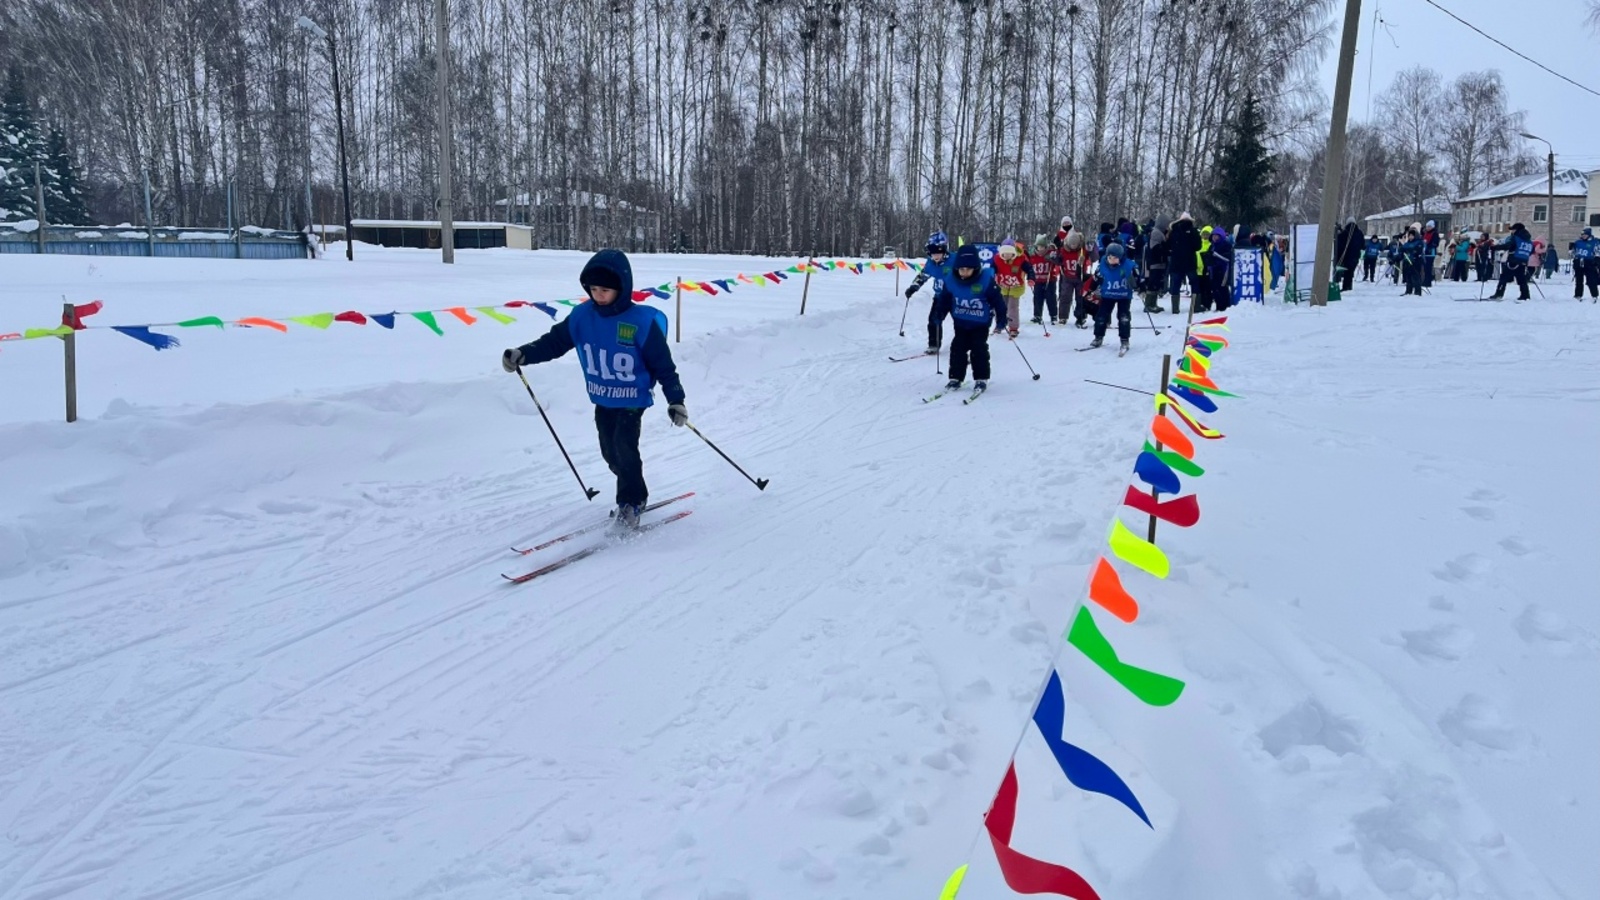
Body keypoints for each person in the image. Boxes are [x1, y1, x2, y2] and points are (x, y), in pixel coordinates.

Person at [502, 249, 687, 527]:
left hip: (631, 400)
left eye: (605, 290)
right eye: (594, 289)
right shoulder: (582, 317)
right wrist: (523, 354)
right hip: (602, 399)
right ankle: (633, 487)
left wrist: (676, 400)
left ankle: (631, 503)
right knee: (610, 454)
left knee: (625, 449)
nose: (599, 294)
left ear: (622, 289)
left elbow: (664, 366)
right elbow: (555, 342)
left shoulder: (640, 323)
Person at [931, 243, 1007, 391]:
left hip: (980, 323)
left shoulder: (986, 280)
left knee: (978, 350)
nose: (964, 272)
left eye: (968, 269)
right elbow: (944, 300)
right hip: (960, 322)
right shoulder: (951, 280)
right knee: (957, 349)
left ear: (976, 268)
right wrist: (939, 314)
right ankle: (955, 378)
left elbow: (998, 301)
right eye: (961, 269)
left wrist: (1001, 319)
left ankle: (981, 378)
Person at [904, 231, 954, 354]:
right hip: (939, 297)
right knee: (934, 320)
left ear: (944, 251)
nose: (935, 256)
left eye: (938, 253)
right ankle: (934, 345)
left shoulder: (955, 260)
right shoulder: (931, 263)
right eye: (933, 254)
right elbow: (923, 276)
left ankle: (966, 348)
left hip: (956, 297)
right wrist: (913, 287)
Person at [1088, 242, 1136, 353]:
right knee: (1101, 316)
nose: (1112, 260)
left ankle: (1124, 339)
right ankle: (1098, 337)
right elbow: (1096, 279)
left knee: (1124, 317)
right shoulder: (1102, 266)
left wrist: (1138, 284)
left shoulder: (1127, 266)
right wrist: (1091, 289)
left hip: (1124, 296)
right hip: (1107, 295)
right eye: (1110, 257)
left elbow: (1136, 278)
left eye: (1115, 258)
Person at [992, 239, 1032, 337]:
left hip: (1016, 286)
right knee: (1001, 307)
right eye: (1004, 253)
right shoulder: (997, 259)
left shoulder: (1021, 259)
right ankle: (1000, 325)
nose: (1007, 256)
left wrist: (1031, 279)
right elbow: (991, 270)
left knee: (1012, 307)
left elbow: (1030, 269)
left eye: (1009, 253)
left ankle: (1013, 327)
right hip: (1003, 286)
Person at [1166, 212, 1204, 314]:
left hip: (1176, 262)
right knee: (1194, 283)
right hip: (1190, 261)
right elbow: (1198, 247)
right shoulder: (1193, 231)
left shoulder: (1173, 231)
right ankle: (1195, 306)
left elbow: (1168, 246)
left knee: (1176, 285)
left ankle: (1175, 308)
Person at [1489, 222, 1535, 300]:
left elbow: (1508, 246)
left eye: (1513, 229)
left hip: (1513, 261)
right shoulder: (1529, 241)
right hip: (1523, 262)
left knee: (1503, 278)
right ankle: (1525, 295)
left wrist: (1495, 247)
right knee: (1522, 280)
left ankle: (1499, 294)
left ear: (1516, 230)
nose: (1512, 231)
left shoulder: (1515, 238)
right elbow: (1532, 251)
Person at [1026, 235, 1060, 325]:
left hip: (1050, 280)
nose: (1040, 249)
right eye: (1039, 247)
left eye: (1043, 247)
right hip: (1037, 281)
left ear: (1046, 247)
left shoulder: (1050, 253)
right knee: (1037, 298)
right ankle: (1037, 315)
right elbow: (1028, 266)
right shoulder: (1032, 255)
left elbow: (1058, 260)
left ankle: (1053, 315)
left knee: (1051, 298)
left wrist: (1053, 258)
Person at [1059, 230, 1091, 327]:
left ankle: (1080, 317)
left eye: (1075, 244)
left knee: (1080, 297)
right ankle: (1063, 317)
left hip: (1080, 277)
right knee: (1065, 296)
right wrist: (1054, 257)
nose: (1073, 246)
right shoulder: (1063, 250)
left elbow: (1093, 257)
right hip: (1067, 277)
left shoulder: (1082, 250)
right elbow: (1058, 260)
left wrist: (1090, 250)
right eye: (1071, 244)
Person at [1141, 216, 1170, 313]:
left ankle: (1153, 303)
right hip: (1156, 262)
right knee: (1153, 283)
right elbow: (1156, 248)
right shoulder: (1157, 233)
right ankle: (1149, 304)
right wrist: (1165, 249)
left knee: (1156, 283)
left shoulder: (1159, 232)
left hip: (1158, 262)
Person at [1208, 225, 1235, 311]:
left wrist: (1215, 256)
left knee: (1222, 288)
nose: (1215, 237)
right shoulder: (1212, 245)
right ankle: (1219, 305)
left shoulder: (1226, 245)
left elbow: (1228, 258)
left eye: (1217, 236)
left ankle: (1225, 306)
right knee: (1214, 288)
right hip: (1213, 270)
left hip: (1223, 270)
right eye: (1213, 236)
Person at [1336, 217, 1364, 292]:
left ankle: (1345, 286)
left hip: (1346, 255)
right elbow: (1362, 245)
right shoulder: (1359, 233)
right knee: (1350, 271)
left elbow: (1340, 240)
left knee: (1346, 271)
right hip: (1355, 255)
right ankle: (1349, 286)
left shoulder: (1346, 232)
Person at [1572, 227, 1598, 299]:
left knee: (1591, 280)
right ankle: (1578, 295)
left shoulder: (1594, 242)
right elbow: (1574, 252)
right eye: (1582, 235)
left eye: (1585, 235)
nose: (1583, 236)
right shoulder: (1578, 242)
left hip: (1589, 262)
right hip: (1579, 262)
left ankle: (1594, 295)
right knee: (1579, 280)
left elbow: (1597, 252)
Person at [1400, 224, 1425, 296]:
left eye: (1412, 235)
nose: (1410, 237)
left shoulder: (1419, 242)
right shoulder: (1407, 243)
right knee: (1408, 277)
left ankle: (1417, 291)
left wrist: (1414, 253)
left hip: (1416, 262)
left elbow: (1418, 250)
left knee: (1416, 277)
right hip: (1407, 261)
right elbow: (1403, 249)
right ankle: (1408, 291)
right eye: (1409, 235)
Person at [1421, 219, 1440, 288]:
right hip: (1425, 252)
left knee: (1429, 267)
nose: (1427, 228)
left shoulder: (1434, 233)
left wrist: (1430, 246)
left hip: (1431, 252)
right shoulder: (1426, 233)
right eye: (1427, 227)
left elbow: (1435, 243)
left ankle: (1428, 281)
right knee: (1425, 268)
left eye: (1429, 227)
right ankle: (1425, 280)